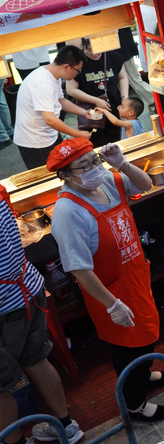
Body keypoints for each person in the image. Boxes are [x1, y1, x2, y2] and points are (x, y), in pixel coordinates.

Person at [48, 139, 164, 422]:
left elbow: (145, 185)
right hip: (111, 292)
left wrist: (122, 164)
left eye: (95, 160)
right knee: (129, 347)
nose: (93, 168)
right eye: (84, 165)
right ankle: (134, 403)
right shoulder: (68, 213)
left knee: (147, 336)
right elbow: (79, 270)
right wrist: (113, 305)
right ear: (65, 176)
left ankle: (143, 373)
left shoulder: (106, 181)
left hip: (135, 278)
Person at [0, 187, 84, 444]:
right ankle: (65, 426)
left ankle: (15, 443)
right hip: (29, 290)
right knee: (36, 360)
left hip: (4, 306)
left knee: (0, 386)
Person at [13, 45, 92, 170]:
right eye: (78, 70)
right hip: (35, 141)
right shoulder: (43, 83)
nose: (78, 74)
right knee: (48, 176)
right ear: (66, 66)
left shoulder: (54, 75)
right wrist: (77, 134)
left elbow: (61, 101)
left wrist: (84, 112)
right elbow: (49, 119)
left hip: (49, 134)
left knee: (63, 167)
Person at [65, 41, 129, 148]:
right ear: (83, 47)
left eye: (98, 51)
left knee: (118, 143)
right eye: (89, 51)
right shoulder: (77, 60)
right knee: (98, 146)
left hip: (114, 106)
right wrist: (95, 100)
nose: (94, 54)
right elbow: (71, 89)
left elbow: (123, 77)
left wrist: (125, 97)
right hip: (92, 113)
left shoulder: (111, 55)